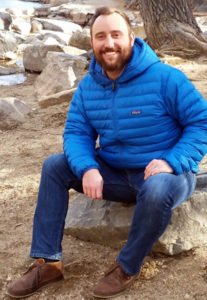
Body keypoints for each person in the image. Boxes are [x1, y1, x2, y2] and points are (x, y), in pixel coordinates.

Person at [7, 6, 207, 299]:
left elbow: (200, 122)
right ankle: (48, 261)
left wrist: (171, 161)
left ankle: (127, 266)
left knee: (157, 188)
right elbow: (77, 133)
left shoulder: (166, 78)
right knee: (54, 166)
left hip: (165, 174)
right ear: (92, 43)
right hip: (114, 173)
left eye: (116, 34)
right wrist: (88, 167)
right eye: (101, 36)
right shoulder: (88, 87)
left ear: (131, 38)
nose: (109, 43)